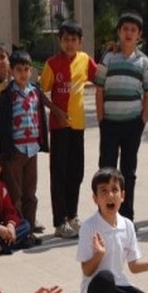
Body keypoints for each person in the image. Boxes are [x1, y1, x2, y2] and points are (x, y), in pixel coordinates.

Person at [95, 11, 148, 222]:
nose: (129, 33)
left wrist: (142, 121)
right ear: (119, 32)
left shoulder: (144, 62)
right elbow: (99, 89)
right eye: (125, 29)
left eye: (133, 30)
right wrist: (101, 120)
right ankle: (105, 216)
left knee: (128, 172)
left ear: (139, 35)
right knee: (106, 171)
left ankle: (126, 216)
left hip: (132, 125)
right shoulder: (108, 58)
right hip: (109, 124)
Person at [39, 21, 97, 239]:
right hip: (59, 126)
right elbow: (40, 92)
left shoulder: (85, 61)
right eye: (65, 39)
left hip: (79, 126)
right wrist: (55, 110)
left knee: (77, 173)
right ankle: (59, 221)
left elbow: (101, 77)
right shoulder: (52, 64)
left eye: (74, 40)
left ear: (80, 42)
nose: (69, 43)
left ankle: (72, 215)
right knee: (59, 174)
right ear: (59, 41)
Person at [0, 50, 49, 237]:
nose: (23, 74)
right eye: (19, 69)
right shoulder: (7, 95)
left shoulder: (35, 92)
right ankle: (18, 227)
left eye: (27, 69)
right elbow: (0, 124)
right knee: (15, 193)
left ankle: (30, 225)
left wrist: (42, 142)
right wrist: (4, 151)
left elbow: (40, 117)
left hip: (31, 148)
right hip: (15, 150)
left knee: (30, 192)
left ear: (31, 70)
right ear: (11, 71)